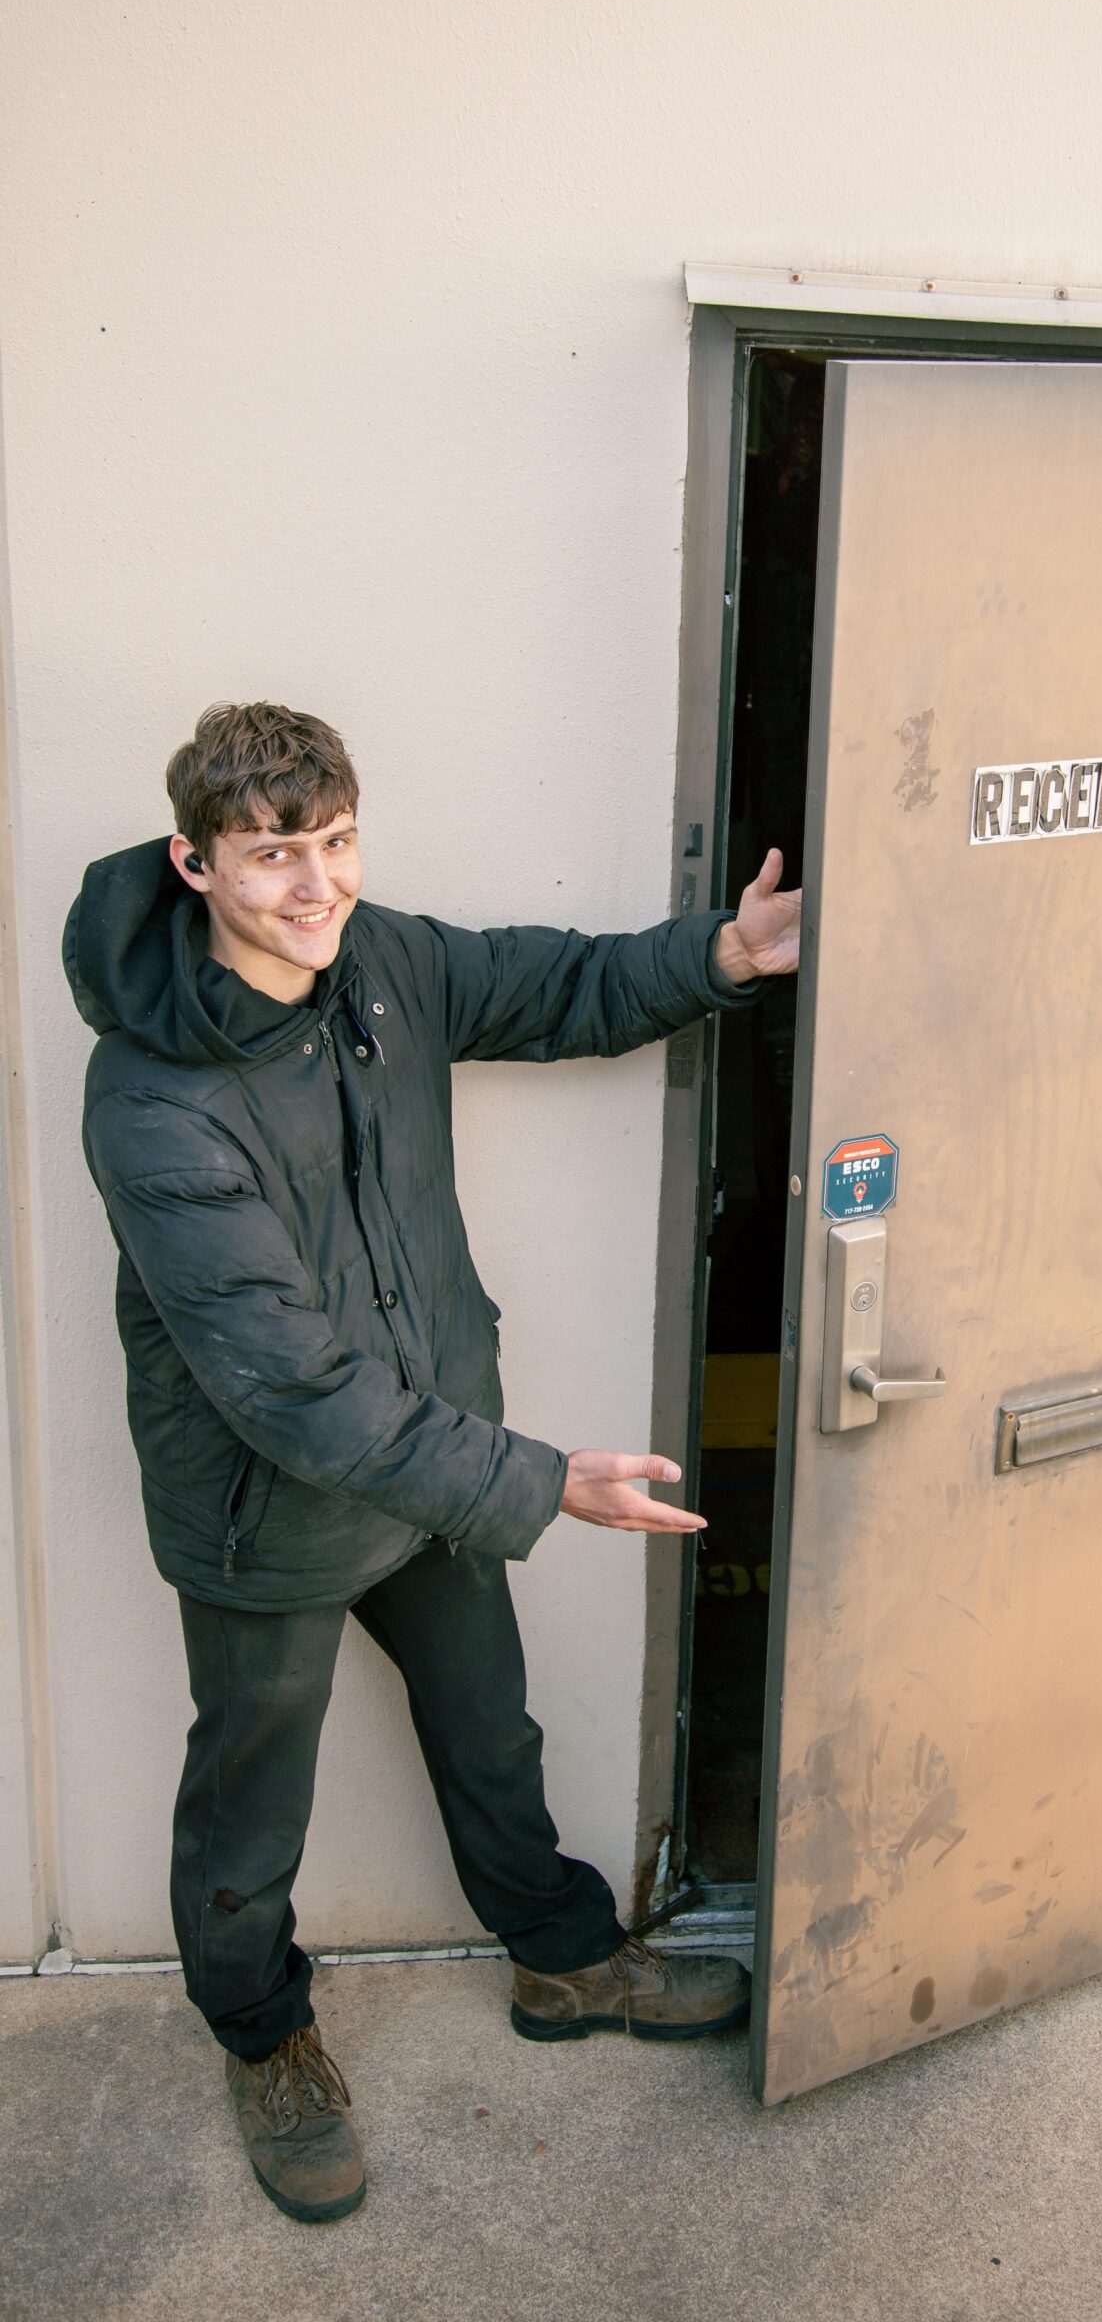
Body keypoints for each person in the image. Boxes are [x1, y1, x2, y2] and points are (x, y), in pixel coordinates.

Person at [63, 701, 801, 2225]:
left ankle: (566, 1961)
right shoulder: (152, 1101)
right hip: (274, 1509)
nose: (317, 885)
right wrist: (544, 1482)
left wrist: (718, 958)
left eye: (334, 844)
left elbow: (555, 985)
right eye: (275, 856)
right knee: (252, 1804)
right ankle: (263, 2040)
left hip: (439, 1458)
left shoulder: (381, 961)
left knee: (491, 1736)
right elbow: (291, 1388)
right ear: (197, 863)